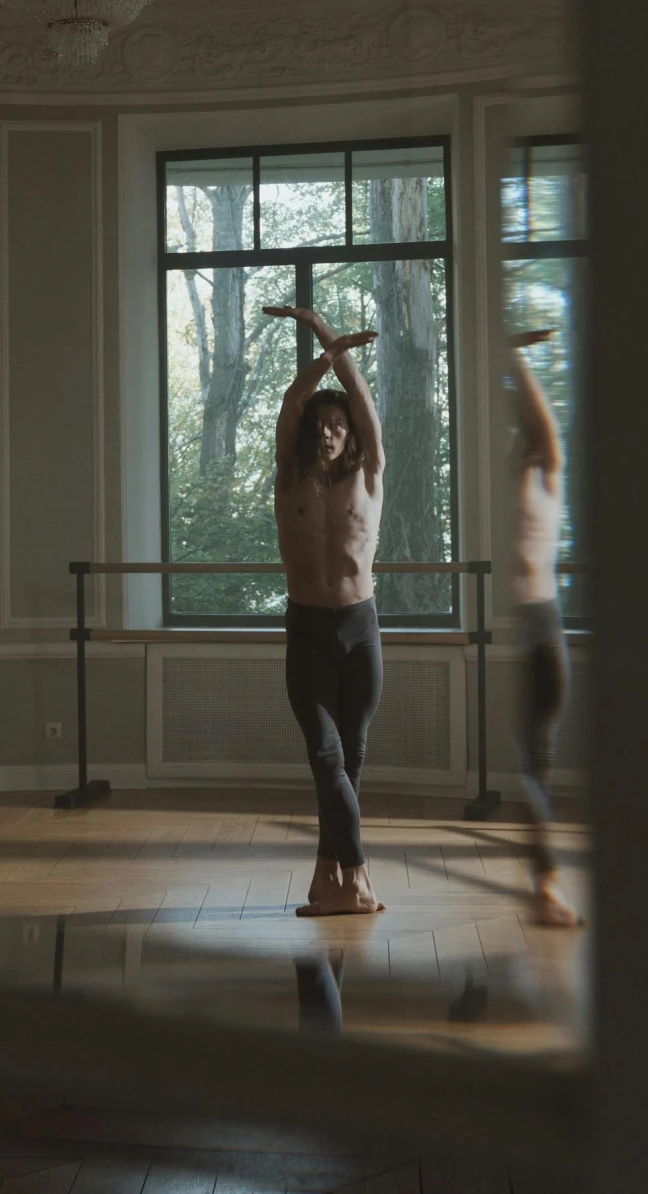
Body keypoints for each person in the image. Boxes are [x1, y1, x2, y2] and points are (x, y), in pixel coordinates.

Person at [263, 304, 388, 917]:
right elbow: (293, 401)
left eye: (336, 424)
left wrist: (339, 350)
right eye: (321, 424)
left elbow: (364, 404)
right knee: (325, 755)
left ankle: (324, 877)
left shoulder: (368, 478)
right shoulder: (289, 479)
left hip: (360, 630)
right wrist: (317, 340)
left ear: (350, 434)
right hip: (308, 631)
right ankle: (359, 881)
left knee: (348, 763)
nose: (326, 431)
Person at [507, 331, 581, 927]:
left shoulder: (545, 475)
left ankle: (545, 886)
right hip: (522, 627)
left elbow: (545, 426)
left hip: (542, 623)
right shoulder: (509, 487)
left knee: (538, 764)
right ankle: (547, 884)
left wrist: (515, 356)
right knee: (530, 767)